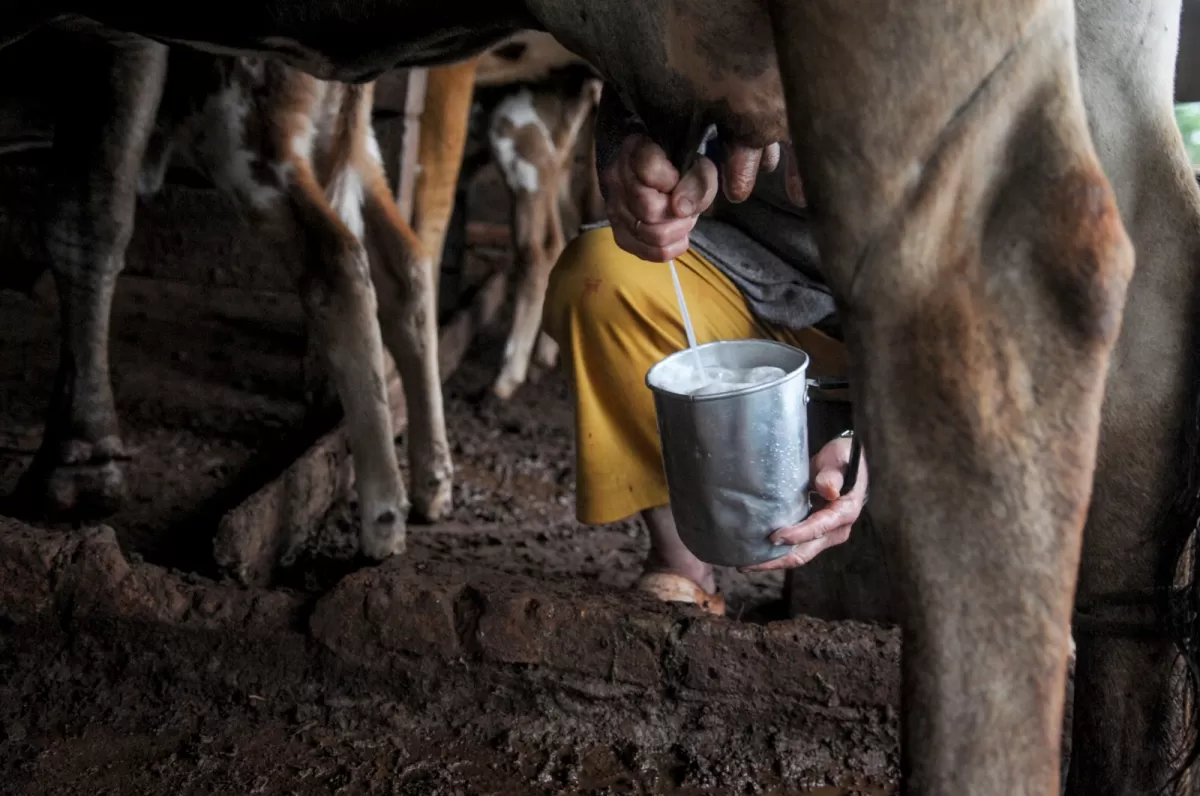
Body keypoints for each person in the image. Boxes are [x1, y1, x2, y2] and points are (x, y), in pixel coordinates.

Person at [541, 91, 868, 617]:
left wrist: (876, 435)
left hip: (935, 337)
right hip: (765, 281)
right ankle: (682, 560)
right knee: (600, 278)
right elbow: (644, 58)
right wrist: (630, 153)